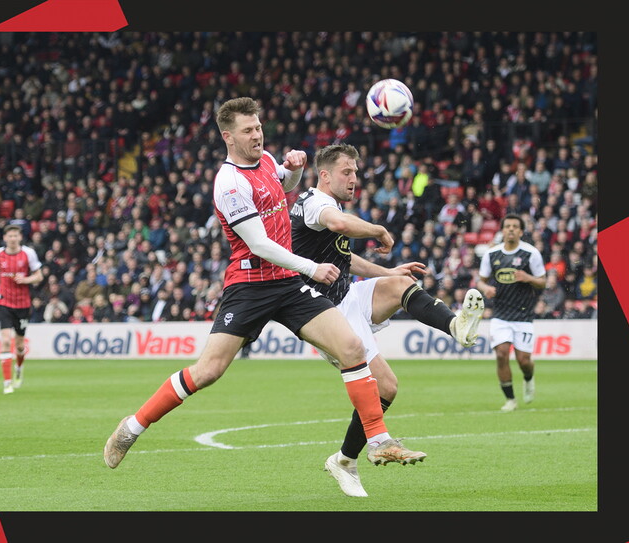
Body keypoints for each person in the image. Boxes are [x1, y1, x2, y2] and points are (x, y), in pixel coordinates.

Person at [103, 97, 425, 475]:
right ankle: (132, 427)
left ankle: (378, 441)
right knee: (208, 371)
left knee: (352, 346)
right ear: (228, 137)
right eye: (248, 130)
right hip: (250, 284)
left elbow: (280, 187)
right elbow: (259, 244)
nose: (257, 135)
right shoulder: (228, 182)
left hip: (287, 283)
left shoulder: (267, 160)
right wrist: (312, 266)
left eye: (258, 127)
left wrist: (294, 171)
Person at [290, 143, 485, 498]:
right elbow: (337, 223)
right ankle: (356, 454)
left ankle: (456, 326)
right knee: (387, 386)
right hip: (324, 313)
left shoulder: (329, 206)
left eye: (356, 172)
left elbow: (348, 259)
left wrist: (387, 269)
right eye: (347, 172)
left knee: (401, 283)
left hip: (346, 296)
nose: (354, 179)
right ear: (325, 175)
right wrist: (378, 229)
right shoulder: (316, 203)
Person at [477, 214, 547, 412]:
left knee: (524, 360)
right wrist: (485, 289)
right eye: (507, 226)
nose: (510, 230)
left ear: (521, 232)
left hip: (524, 315)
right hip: (500, 314)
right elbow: (480, 280)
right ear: (502, 230)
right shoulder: (492, 254)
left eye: (515, 227)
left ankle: (528, 377)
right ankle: (510, 400)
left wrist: (527, 277)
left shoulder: (530, 253)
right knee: (501, 354)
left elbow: (543, 281)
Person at [0, 224, 44, 394]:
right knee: (6, 340)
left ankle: (19, 367)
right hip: (4, 301)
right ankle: (7, 382)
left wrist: (26, 279)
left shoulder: (28, 253)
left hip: (23, 304)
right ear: (5, 238)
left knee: (19, 345)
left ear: (20, 237)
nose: (13, 238)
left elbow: (39, 276)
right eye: (10, 236)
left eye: (15, 235)